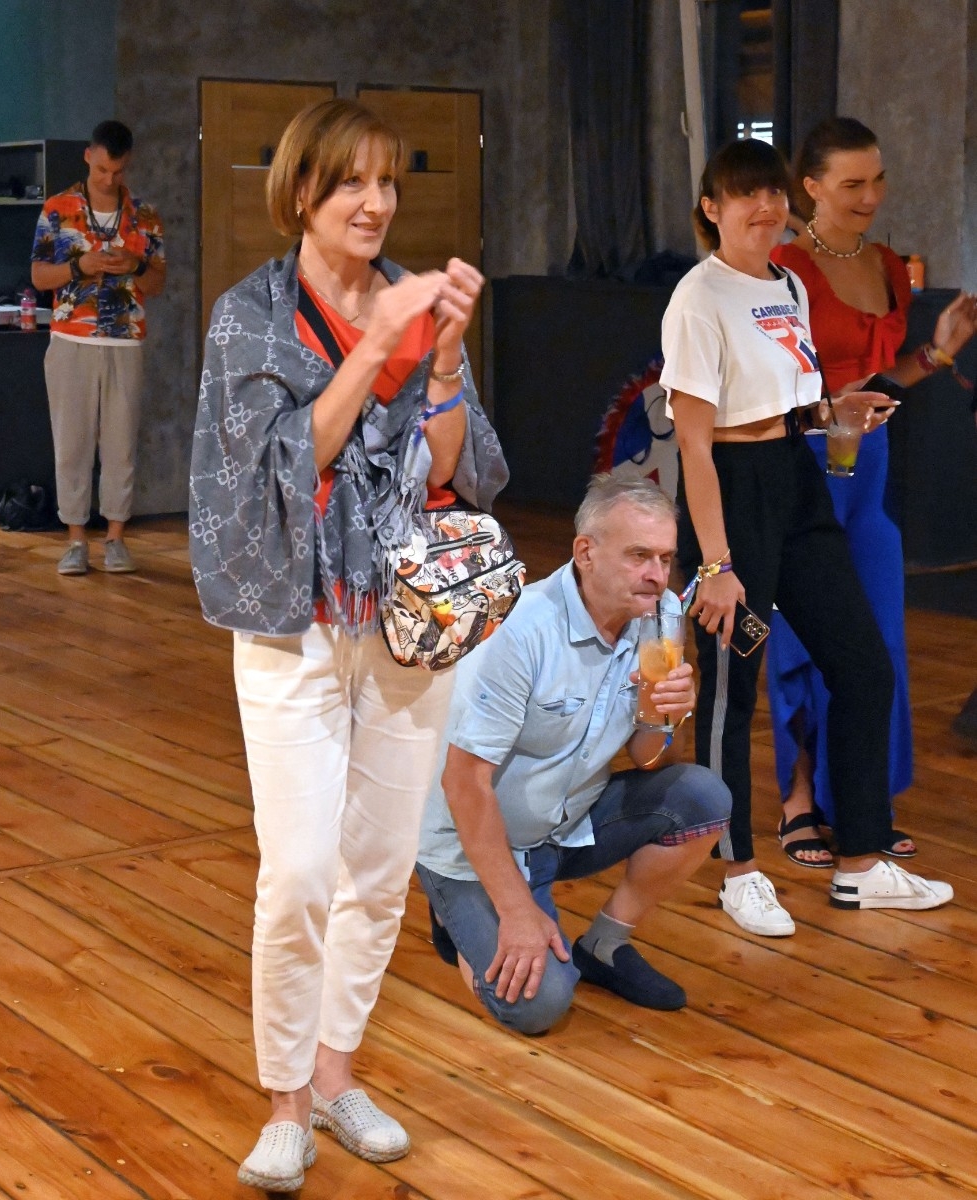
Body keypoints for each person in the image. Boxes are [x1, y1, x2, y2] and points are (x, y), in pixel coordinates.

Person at [188, 98, 508, 1193]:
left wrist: (446, 359)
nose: (374, 204)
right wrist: (378, 345)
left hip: (406, 625)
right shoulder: (250, 316)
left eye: (387, 181)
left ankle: (333, 1076)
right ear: (300, 194)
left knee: (377, 870)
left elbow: (452, 470)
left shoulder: (416, 297)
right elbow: (282, 464)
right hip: (296, 624)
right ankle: (282, 1102)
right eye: (350, 183)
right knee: (298, 874)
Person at [660, 137, 953, 939]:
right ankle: (736, 871)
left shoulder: (786, 283)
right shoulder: (697, 298)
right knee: (731, 692)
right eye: (745, 195)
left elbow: (790, 398)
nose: (766, 207)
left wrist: (834, 412)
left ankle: (861, 862)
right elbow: (695, 447)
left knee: (862, 666)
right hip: (732, 490)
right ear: (712, 208)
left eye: (773, 193)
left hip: (798, 475)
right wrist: (715, 564)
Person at [416, 475, 732, 1035]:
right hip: (472, 844)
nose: (657, 575)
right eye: (639, 556)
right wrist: (515, 911)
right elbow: (463, 783)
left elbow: (652, 760)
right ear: (585, 553)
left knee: (702, 796)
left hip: (564, 828)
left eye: (665, 558)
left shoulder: (659, 618)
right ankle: (457, 912)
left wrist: (663, 715)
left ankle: (604, 947)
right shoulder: (520, 631)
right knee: (537, 1006)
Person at [764, 117, 977, 867]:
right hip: (803, 464)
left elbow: (883, 381)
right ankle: (798, 800)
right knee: (802, 639)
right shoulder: (782, 267)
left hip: (868, 472)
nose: (870, 196)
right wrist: (826, 416)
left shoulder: (888, 263)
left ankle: (862, 800)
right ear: (811, 188)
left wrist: (939, 351)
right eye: (852, 183)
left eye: (877, 179)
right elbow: (768, 387)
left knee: (877, 644)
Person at [31, 120, 165, 575]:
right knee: (72, 443)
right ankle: (74, 539)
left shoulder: (145, 215)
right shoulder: (58, 208)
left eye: (119, 171)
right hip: (71, 339)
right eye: (103, 169)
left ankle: (115, 538)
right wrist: (80, 266)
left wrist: (135, 265)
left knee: (121, 445)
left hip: (126, 341)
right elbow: (39, 277)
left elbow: (158, 282)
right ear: (89, 156)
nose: (110, 179)